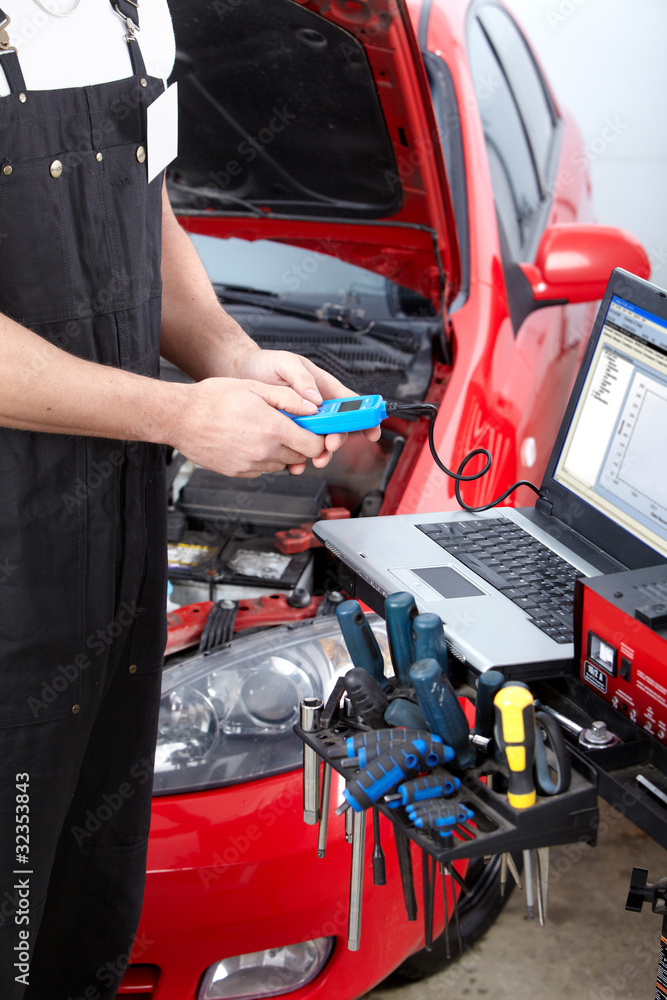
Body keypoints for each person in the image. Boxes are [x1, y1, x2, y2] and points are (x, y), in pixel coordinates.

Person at [0, 3, 379, 997]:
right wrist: (177, 413)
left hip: (110, 543)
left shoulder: (134, 13)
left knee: (80, 916)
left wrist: (242, 362)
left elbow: (144, 216)